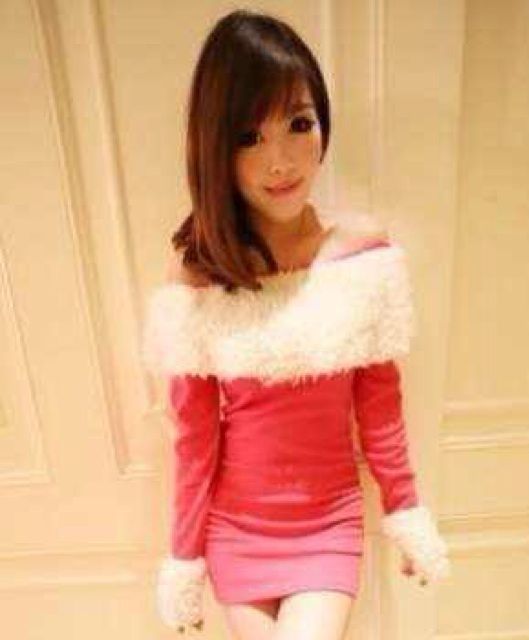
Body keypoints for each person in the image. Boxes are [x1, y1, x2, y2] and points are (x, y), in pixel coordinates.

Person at [140, 8, 450, 639]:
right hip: (237, 530)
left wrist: (406, 512)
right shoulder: (199, 274)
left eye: (299, 124)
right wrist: (184, 560)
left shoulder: (361, 254)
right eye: (248, 137)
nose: (280, 160)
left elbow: (380, 409)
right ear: (214, 147)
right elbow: (195, 438)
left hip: (327, 523)